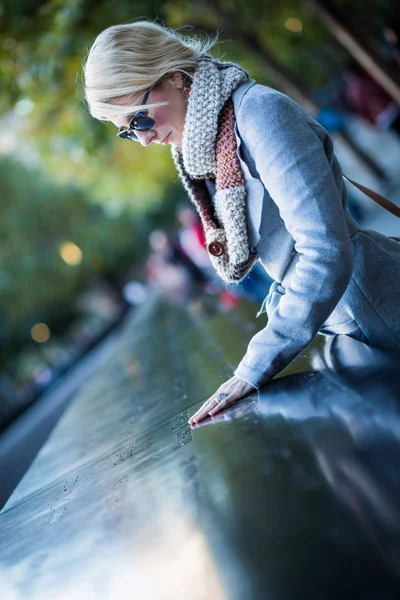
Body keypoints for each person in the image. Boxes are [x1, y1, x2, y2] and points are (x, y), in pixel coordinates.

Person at [83, 20, 400, 425]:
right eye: (128, 132)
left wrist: (254, 366)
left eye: (140, 119)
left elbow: (325, 250)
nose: (143, 139)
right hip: (345, 323)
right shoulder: (212, 144)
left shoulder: (259, 114)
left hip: (376, 314)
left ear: (175, 77)